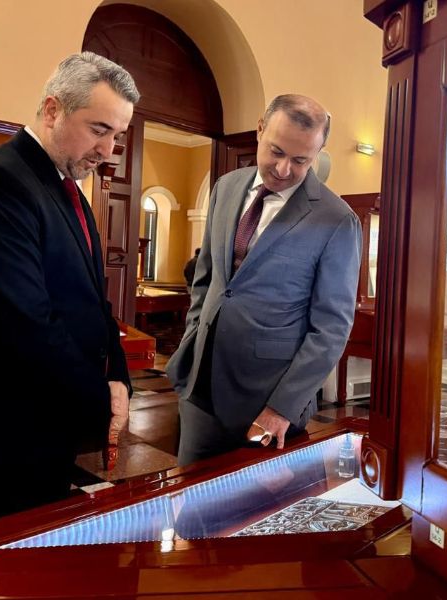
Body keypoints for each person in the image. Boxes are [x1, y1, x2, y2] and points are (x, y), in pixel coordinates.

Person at [0, 52, 140, 529]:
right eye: (99, 129)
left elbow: (93, 301)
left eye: (117, 135)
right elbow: (25, 323)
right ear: (53, 110)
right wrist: (100, 398)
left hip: (46, 425)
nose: (108, 150)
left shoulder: (67, 188)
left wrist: (119, 377)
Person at [166, 94, 361, 466]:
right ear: (260, 130)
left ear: (318, 153)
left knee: (256, 503)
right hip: (200, 389)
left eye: (301, 160)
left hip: (267, 403)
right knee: (188, 497)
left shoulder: (337, 220)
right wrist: (194, 337)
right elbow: (206, 280)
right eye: (276, 152)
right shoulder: (226, 188)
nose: (284, 169)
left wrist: (282, 407)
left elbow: (332, 328)